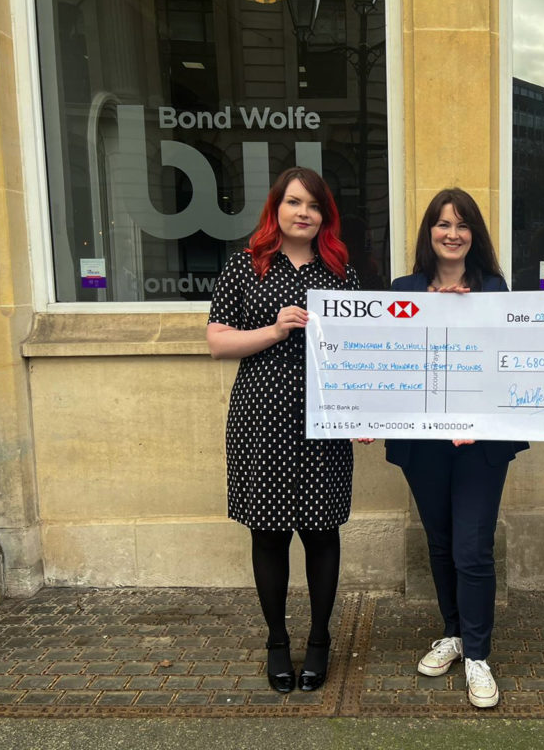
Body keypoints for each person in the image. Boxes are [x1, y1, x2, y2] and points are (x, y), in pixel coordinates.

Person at [206, 167, 361, 694]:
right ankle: (277, 641)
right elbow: (218, 343)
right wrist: (274, 329)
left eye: (314, 206)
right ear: (276, 208)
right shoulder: (245, 268)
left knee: (321, 532)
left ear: (325, 216)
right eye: (294, 202)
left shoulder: (341, 273)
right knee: (268, 533)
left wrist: (364, 410)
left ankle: (319, 640)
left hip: (325, 420)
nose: (303, 213)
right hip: (262, 417)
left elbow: (362, 354)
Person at [385, 188, 527, 708]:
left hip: (479, 446)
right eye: (442, 224)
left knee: (472, 548)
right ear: (428, 234)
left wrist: (481, 414)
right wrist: (361, 410)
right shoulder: (403, 290)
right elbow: (384, 365)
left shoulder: (494, 289)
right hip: (424, 446)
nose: (451, 233)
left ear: (475, 235)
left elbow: (507, 364)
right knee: (441, 543)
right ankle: (455, 633)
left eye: (462, 224)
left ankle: (479, 655)